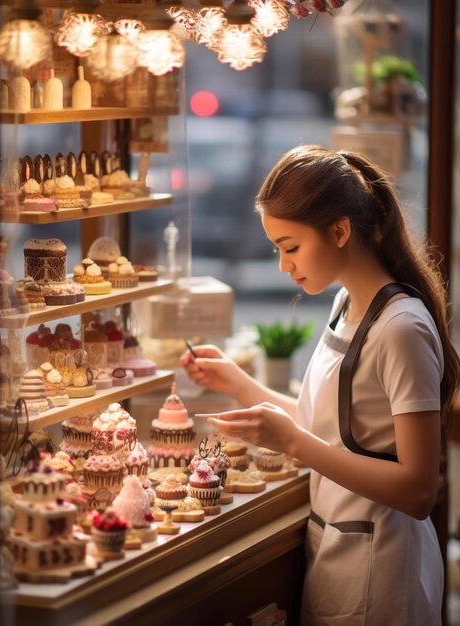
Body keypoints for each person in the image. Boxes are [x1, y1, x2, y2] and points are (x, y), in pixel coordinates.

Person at [180, 145, 460, 626]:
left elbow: (417, 491)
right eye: (277, 250)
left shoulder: (401, 328)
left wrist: (291, 441)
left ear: (339, 231)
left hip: (384, 566)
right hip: (340, 547)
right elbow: (327, 427)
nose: (284, 266)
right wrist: (238, 383)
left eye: (290, 247)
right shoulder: (346, 305)